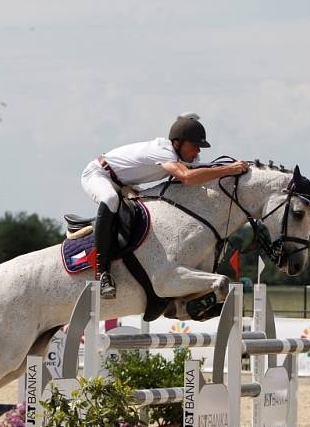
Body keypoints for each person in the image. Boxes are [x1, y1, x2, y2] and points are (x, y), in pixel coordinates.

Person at [80, 113, 249, 299]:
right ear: (178, 143)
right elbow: (187, 178)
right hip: (98, 174)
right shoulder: (164, 151)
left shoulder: (181, 157)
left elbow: (206, 171)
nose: (197, 152)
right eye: (194, 146)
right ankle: (102, 273)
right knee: (111, 199)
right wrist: (230, 169)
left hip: (124, 184)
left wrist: (234, 169)